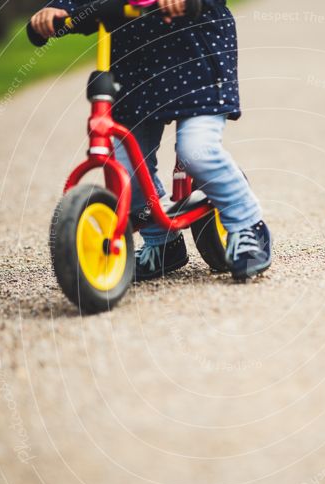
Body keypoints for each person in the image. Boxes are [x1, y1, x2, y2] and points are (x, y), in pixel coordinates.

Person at [30, 0, 272, 281]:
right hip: (135, 72)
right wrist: (56, 10)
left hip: (196, 63)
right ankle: (161, 243)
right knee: (124, 166)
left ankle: (247, 225)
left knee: (197, 151)